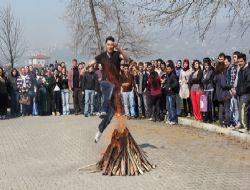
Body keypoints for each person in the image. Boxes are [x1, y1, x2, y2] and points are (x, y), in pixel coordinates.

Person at [85, 36, 128, 143]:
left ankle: (99, 131)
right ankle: (103, 109)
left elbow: (127, 58)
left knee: (109, 116)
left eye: (111, 45)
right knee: (110, 85)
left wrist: (119, 49)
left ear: (113, 45)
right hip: (105, 84)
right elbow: (92, 62)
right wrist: (84, 68)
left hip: (115, 88)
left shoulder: (117, 55)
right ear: (105, 45)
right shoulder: (102, 56)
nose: (110, 46)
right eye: (108, 44)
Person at [213, 62, 234, 127]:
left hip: (219, 96)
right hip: (225, 95)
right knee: (227, 110)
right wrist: (231, 86)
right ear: (222, 68)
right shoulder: (221, 76)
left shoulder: (216, 76)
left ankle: (221, 124)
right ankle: (227, 124)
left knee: (221, 110)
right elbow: (224, 85)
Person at [236, 53, 250, 133]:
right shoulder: (240, 70)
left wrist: (242, 90)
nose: (240, 63)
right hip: (241, 94)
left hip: (246, 94)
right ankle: (245, 126)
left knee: (243, 109)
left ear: (245, 61)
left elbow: (248, 83)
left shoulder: (248, 70)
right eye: (238, 62)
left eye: (241, 61)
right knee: (242, 110)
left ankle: (245, 127)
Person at [164, 61, 179, 125]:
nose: (168, 70)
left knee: (172, 107)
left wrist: (171, 87)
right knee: (168, 107)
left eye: (169, 69)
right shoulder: (168, 76)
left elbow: (176, 84)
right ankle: (170, 118)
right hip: (167, 94)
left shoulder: (173, 75)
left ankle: (174, 119)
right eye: (167, 69)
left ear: (172, 69)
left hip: (171, 94)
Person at [201, 58, 214, 123]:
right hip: (205, 89)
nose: (206, 66)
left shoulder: (211, 71)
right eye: (205, 65)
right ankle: (205, 118)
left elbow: (207, 79)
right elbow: (202, 80)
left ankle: (211, 118)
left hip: (210, 89)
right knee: (205, 104)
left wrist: (204, 80)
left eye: (207, 65)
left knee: (209, 104)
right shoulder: (204, 71)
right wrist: (204, 80)